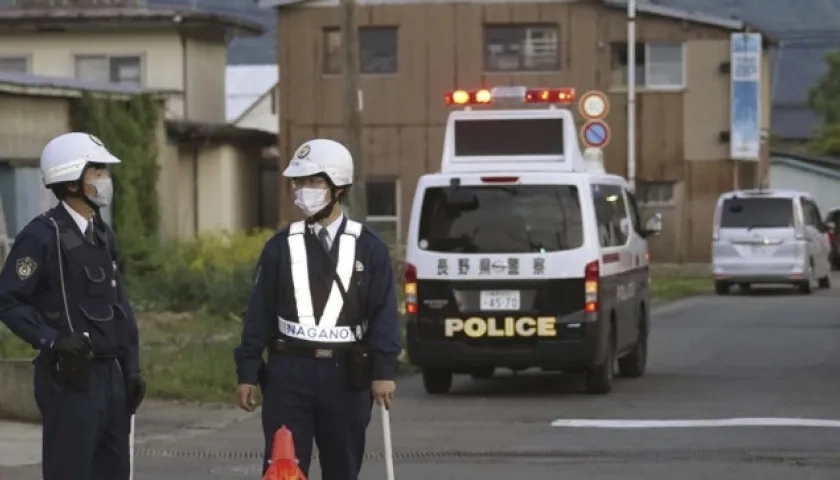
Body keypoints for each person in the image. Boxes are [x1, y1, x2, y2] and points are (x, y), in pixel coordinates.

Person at [234, 138, 401, 479]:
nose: (303, 190)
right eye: (299, 182)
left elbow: (384, 311)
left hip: (345, 375)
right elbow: (259, 312)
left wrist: (383, 371)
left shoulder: (369, 248)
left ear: (338, 187)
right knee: (284, 467)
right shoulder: (280, 246)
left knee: (342, 467)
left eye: (313, 181)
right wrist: (248, 370)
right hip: (288, 373)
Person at [0, 132, 145, 480]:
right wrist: (51, 340)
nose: (105, 179)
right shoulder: (41, 235)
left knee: (113, 472)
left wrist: (133, 367)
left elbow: (119, 307)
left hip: (111, 376)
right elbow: (8, 300)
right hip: (70, 378)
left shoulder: (102, 234)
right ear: (71, 182)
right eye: (97, 171)